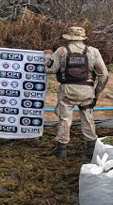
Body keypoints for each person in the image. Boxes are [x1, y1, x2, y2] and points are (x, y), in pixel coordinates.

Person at [45, 26, 108, 159]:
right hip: (87, 92)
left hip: (67, 91)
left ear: (68, 38)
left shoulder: (61, 51)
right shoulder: (93, 51)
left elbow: (50, 70)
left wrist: (47, 57)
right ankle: (91, 148)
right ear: (83, 38)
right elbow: (104, 75)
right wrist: (97, 91)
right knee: (88, 118)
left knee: (64, 119)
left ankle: (61, 149)